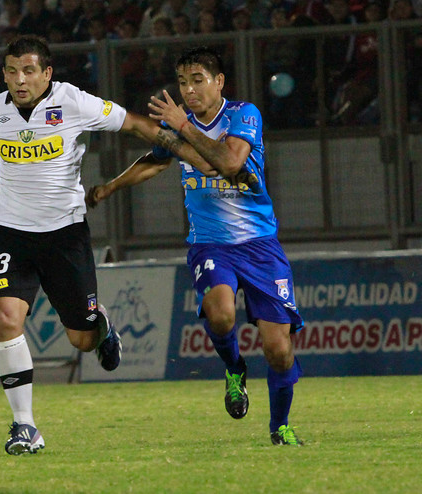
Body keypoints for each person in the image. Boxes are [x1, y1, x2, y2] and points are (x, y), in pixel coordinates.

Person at [0, 35, 213, 455]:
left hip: (64, 233)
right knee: (4, 318)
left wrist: (183, 148)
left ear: (47, 74)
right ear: (3, 74)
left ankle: (100, 326)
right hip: (10, 231)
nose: (20, 80)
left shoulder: (74, 102)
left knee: (81, 340)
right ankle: (24, 426)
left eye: (29, 71)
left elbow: (134, 124)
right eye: (12, 72)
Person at [86, 46, 305, 446]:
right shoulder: (179, 126)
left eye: (197, 81)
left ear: (219, 82)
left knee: (279, 350)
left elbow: (228, 164)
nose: (189, 90)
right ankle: (234, 368)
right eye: (183, 82)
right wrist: (110, 187)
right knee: (220, 316)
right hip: (210, 245)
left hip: (260, 246)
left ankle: (280, 427)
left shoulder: (243, 115)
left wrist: (183, 128)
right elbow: (155, 160)